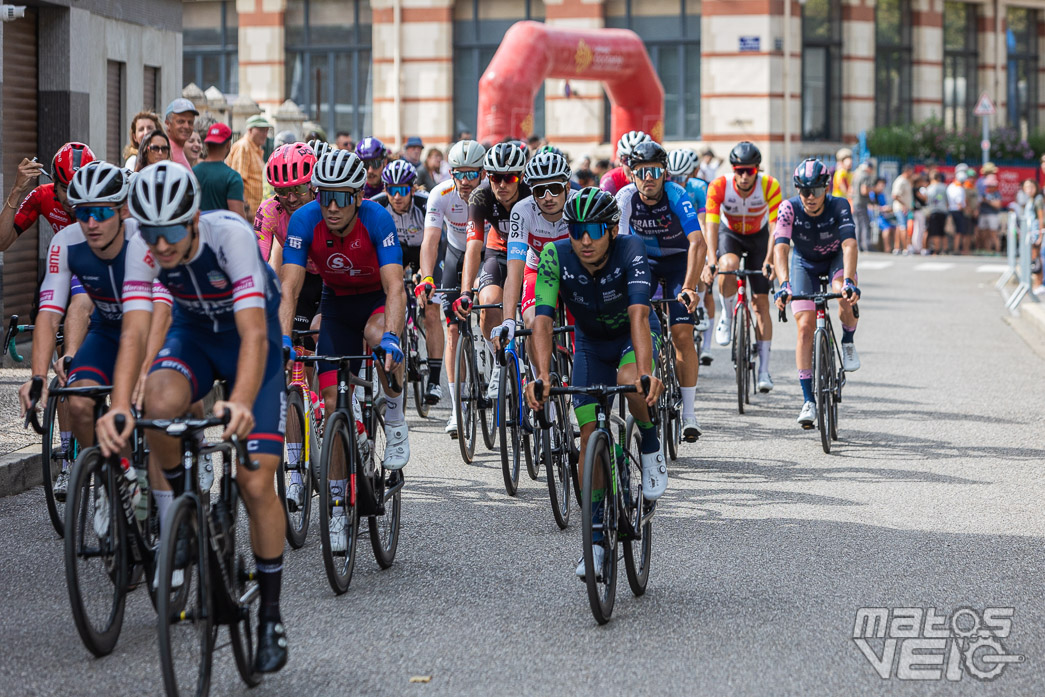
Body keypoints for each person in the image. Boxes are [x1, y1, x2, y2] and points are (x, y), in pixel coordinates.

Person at [96, 161, 290, 674]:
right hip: (195, 335)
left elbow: (253, 335)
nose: (159, 247)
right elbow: (135, 336)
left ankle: (270, 614)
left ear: (194, 222)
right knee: (156, 405)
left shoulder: (232, 238)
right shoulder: (143, 247)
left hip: (253, 342)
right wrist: (119, 407)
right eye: (151, 233)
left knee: (254, 481)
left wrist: (241, 400)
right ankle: (182, 505)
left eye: (171, 232)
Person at [522, 187, 664, 580]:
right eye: (577, 229)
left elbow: (638, 314)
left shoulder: (630, 249)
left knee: (631, 381)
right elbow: (543, 321)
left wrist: (648, 372)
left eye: (595, 229)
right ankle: (598, 540)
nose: (585, 239)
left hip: (631, 338)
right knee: (589, 436)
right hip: (588, 345)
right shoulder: (555, 256)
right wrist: (542, 375)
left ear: (612, 230)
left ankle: (650, 444)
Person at [18, 161, 172, 502]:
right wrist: (38, 375)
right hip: (106, 331)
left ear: (121, 210)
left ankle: (166, 497)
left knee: (156, 404)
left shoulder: (146, 239)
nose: (91, 222)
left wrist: (146, 368)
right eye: (83, 212)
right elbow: (49, 313)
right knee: (78, 400)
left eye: (101, 212)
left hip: (152, 330)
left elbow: (163, 309)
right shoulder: (65, 242)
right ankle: (106, 477)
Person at [278, 150, 410, 545]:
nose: (332, 207)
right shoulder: (304, 220)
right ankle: (337, 506)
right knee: (333, 401)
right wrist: (284, 339)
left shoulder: (377, 218)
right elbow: (290, 287)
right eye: (324, 196)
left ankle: (397, 417)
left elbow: (395, 288)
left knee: (377, 338)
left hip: (374, 301)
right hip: (336, 305)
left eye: (341, 198)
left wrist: (392, 336)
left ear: (358, 196)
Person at [617, 141, 707, 440]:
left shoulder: (677, 195)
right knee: (639, 317)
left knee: (681, 333)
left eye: (655, 171)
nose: (649, 178)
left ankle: (689, 414)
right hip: (647, 263)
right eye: (641, 172)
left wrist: (691, 287)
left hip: (679, 262)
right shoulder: (626, 198)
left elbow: (698, 242)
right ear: (632, 174)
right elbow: (618, 243)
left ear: (664, 172)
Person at [773, 159, 861, 428]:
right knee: (804, 327)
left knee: (841, 293)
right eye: (804, 191)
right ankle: (808, 400)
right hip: (804, 263)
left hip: (835, 259)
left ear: (827, 188)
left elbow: (849, 244)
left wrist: (848, 280)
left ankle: (847, 340)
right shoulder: (789, 207)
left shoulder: (839, 205)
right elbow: (781, 247)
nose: (810, 197)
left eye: (816, 191)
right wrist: (784, 284)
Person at [415, 139, 488, 436]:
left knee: (486, 312)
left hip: (487, 254)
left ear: (483, 173)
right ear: (451, 172)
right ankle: (458, 410)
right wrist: (427, 278)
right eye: (460, 173)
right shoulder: (440, 194)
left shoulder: (488, 195)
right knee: (453, 330)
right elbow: (430, 241)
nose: (467, 181)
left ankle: (496, 368)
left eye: (473, 174)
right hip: (456, 255)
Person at [0, 143, 95, 365]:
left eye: (79, 189)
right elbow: (2, 242)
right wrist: (16, 190)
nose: (72, 198)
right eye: (65, 188)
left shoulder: (106, 199)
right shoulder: (42, 196)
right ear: (53, 182)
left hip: (98, 272)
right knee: (68, 360)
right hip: (64, 271)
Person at [704, 141, 782, 392]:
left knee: (760, 305)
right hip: (732, 234)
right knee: (727, 265)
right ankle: (727, 315)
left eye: (749, 170)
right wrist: (711, 260)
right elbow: (712, 225)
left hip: (759, 238)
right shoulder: (719, 186)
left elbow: (776, 228)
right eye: (739, 170)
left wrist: (770, 259)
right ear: (733, 169)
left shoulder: (770, 185)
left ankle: (764, 371)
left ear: (757, 170)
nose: (744, 176)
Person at [454, 143, 530, 400]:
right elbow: (473, 247)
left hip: (530, 253)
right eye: (496, 177)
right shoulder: (480, 196)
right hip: (498, 251)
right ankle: (499, 361)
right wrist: (466, 292)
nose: (502, 184)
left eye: (509, 178)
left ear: (520, 176)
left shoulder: (531, 193)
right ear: (488, 176)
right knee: (487, 305)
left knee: (534, 312)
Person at [370, 160, 446, 404]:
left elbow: (436, 245)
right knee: (392, 298)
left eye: (402, 190)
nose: (397, 196)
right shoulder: (378, 205)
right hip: (395, 252)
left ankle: (434, 380)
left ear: (412, 190)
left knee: (432, 310)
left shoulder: (425, 204)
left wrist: (426, 276)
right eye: (391, 190)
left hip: (424, 251)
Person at [497, 152, 573, 357]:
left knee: (584, 326)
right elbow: (514, 272)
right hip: (537, 271)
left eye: (555, 189)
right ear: (532, 192)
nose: (548, 197)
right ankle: (537, 382)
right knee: (531, 322)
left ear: (567, 187)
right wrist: (508, 320)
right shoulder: (522, 211)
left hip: (576, 273)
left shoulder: (578, 204)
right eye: (540, 191)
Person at [666, 147, 714, 362]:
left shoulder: (699, 187)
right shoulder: (665, 189)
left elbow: (703, 224)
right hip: (672, 238)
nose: (678, 181)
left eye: (682, 177)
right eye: (673, 176)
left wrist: (706, 258)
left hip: (694, 234)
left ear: (692, 175)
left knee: (699, 266)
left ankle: (701, 307)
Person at [193, 122, 245, 217]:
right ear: (228, 145)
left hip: (197, 230)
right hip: (224, 231)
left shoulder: (192, 172)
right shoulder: (233, 177)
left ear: (207, 144)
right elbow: (238, 219)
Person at [228, 114, 273, 220]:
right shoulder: (244, 147)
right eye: (261, 130)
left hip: (255, 215)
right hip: (246, 214)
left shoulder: (256, 149)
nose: (265, 134)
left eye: (266, 131)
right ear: (250, 130)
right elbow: (237, 180)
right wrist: (244, 208)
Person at [599, 130, 650, 195]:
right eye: (627, 160)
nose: (634, 167)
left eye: (640, 161)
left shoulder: (660, 177)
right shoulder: (610, 180)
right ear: (620, 161)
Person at [163, 98, 199, 169]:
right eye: (181, 121)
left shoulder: (178, 150)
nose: (186, 126)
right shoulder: (164, 152)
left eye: (190, 122)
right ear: (168, 124)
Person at [890, 165, 914, 255]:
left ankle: (897, 247)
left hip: (904, 208)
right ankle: (905, 248)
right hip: (901, 208)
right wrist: (904, 205)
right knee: (903, 227)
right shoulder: (900, 181)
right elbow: (895, 195)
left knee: (899, 227)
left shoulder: (906, 181)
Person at [851, 162, 874, 252]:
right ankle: (866, 245)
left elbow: (851, 190)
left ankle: (858, 245)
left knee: (857, 224)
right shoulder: (865, 176)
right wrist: (872, 190)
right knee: (865, 224)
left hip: (855, 202)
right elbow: (864, 190)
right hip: (862, 202)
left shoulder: (856, 175)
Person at [947, 166, 970, 255]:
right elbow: (960, 205)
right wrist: (967, 209)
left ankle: (951, 248)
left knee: (951, 231)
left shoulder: (950, 187)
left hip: (950, 210)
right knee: (959, 231)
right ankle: (956, 249)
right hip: (958, 212)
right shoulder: (959, 189)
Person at [925, 172, 949, 255]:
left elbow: (927, 201)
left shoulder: (930, 188)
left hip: (933, 211)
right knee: (943, 231)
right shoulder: (944, 187)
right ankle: (945, 249)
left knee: (935, 232)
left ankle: (937, 249)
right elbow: (947, 200)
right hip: (943, 211)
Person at [979, 173, 1003, 253]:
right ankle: (987, 250)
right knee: (985, 234)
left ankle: (997, 250)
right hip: (983, 214)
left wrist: (988, 201)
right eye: (988, 186)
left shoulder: (996, 194)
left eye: (990, 186)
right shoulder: (984, 193)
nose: (988, 187)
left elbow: (997, 205)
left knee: (993, 234)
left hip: (993, 215)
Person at [872, 177, 896, 252]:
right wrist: (881, 208)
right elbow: (871, 206)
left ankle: (895, 248)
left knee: (895, 228)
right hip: (876, 217)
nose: (882, 187)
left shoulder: (882, 195)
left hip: (885, 216)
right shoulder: (872, 194)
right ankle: (887, 249)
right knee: (887, 229)